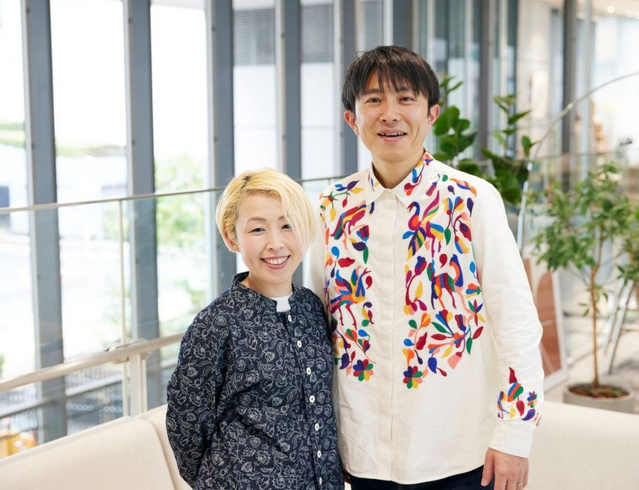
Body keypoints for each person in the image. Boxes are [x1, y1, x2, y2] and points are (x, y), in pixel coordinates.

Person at [310, 46, 544, 490]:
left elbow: (516, 322)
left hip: (460, 453)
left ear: (432, 113)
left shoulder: (472, 199)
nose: (389, 114)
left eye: (406, 98)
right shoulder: (330, 207)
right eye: (374, 100)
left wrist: (516, 436)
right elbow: (318, 327)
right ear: (352, 119)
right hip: (363, 454)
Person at [167, 168, 344, 489]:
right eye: (258, 229)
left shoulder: (312, 306)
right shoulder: (215, 324)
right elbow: (186, 425)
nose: (276, 244)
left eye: (288, 225)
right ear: (231, 237)